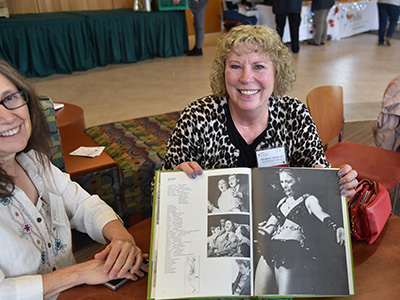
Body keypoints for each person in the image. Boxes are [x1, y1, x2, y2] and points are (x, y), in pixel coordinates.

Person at [0, 59, 148, 299]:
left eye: (9, 99)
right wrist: (79, 273)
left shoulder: (33, 161)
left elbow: (84, 205)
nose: (7, 117)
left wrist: (121, 237)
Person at [160, 25, 358, 199]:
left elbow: (318, 180)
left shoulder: (294, 115)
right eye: (236, 66)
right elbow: (157, 193)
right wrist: (174, 184)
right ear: (223, 72)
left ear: (276, 73)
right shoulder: (197, 117)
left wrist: (338, 187)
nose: (246, 78)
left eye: (259, 67)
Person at [255, 168, 345, 295]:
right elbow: (269, 228)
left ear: (298, 179)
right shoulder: (282, 202)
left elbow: (321, 213)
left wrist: (336, 227)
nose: (284, 186)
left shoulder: (308, 200)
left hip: (288, 251)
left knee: (284, 296)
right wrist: (259, 230)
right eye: (282, 182)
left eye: (287, 181)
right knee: (258, 295)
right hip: (270, 248)